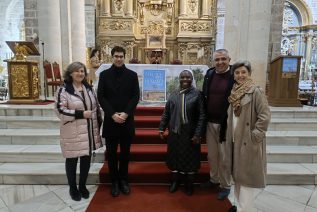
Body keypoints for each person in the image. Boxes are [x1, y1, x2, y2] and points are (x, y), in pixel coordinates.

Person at [55, 62, 102, 201]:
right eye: (77, 71)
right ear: (70, 73)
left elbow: (95, 108)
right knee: (72, 160)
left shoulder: (88, 88)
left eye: (82, 71)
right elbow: (60, 110)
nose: (80, 74)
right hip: (72, 131)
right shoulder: (64, 90)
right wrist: (80, 114)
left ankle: (82, 186)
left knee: (86, 159)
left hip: (88, 131)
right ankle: (72, 188)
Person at [227, 60, 271, 212]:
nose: (240, 75)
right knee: (238, 176)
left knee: (246, 180)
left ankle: (245, 209)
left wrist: (255, 136)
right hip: (235, 139)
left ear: (249, 74)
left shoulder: (255, 91)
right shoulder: (234, 92)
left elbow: (264, 116)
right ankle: (239, 206)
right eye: (237, 72)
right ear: (234, 75)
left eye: (243, 72)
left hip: (248, 141)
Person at [97, 46, 140, 197]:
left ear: (125, 57)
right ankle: (114, 181)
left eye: (121, 56)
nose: (119, 59)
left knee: (125, 154)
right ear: (112, 57)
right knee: (112, 154)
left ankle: (124, 180)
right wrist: (112, 114)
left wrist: (126, 113)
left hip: (126, 121)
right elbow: (101, 96)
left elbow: (135, 96)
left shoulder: (132, 75)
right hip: (111, 120)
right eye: (116, 56)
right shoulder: (104, 75)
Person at [159, 69, 205, 196]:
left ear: (192, 79)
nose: (185, 80)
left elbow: (202, 116)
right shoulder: (173, 94)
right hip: (175, 132)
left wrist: (198, 134)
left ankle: (189, 184)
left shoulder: (197, 94)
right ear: (179, 79)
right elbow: (167, 113)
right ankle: (175, 181)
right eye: (182, 77)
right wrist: (161, 128)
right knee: (175, 157)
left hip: (190, 132)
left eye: (188, 77)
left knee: (190, 158)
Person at [201, 49, 235, 200]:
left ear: (229, 59)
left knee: (224, 156)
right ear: (213, 61)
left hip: (225, 123)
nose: (220, 62)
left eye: (223, 59)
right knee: (212, 155)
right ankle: (214, 179)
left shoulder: (235, 75)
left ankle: (225, 184)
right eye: (217, 60)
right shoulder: (209, 74)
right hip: (210, 122)